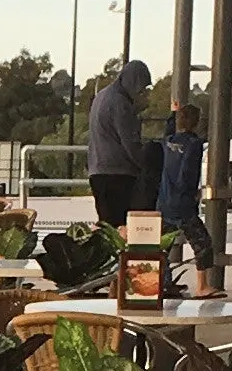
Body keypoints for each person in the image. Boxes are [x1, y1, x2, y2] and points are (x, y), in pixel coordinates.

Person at [149, 95, 219, 293]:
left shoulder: (168, 141)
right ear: (197, 122)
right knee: (202, 243)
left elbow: (168, 130)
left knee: (162, 247)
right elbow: (188, 172)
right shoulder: (194, 145)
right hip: (184, 203)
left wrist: (173, 113)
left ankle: (161, 284)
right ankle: (203, 286)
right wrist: (193, 194)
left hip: (164, 202)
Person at [82, 57, 145, 238]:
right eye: (141, 87)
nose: (141, 93)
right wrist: (144, 164)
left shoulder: (101, 96)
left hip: (98, 170)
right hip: (118, 173)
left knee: (106, 225)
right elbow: (129, 142)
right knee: (120, 230)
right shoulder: (120, 103)